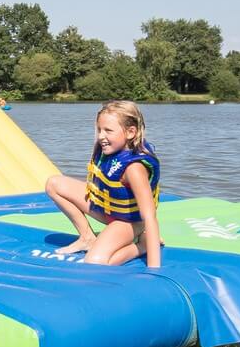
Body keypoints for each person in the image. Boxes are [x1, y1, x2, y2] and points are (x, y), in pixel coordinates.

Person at [44, 100, 163, 267]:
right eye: (99, 130)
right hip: (106, 208)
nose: (101, 136)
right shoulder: (111, 150)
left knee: (95, 262)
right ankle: (86, 237)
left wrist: (154, 269)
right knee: (53, 184)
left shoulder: (134, 168)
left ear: (130, 132)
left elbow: (150, 217)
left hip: (129, 221)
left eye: (108, 130)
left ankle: (141, 245)